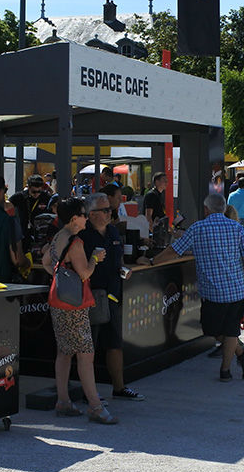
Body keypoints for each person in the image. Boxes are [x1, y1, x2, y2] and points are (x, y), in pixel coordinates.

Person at [153, 192, 244, 382]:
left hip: (213, 292)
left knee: (212, 330)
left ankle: (230, 366)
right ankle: (235, 359)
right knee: (231, 329)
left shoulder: (198, 228)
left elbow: (173, 250)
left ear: (206, 209)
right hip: (236, 289)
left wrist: (152, 261)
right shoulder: (237, 227)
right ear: (224, 209)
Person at [43, 197, 118, 424]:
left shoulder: (58, 237)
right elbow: (85, 273)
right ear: (75, 218)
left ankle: (63, 400)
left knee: (64, 351)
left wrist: (61, 278)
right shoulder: (75, 243)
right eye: (84, 214)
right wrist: (95, 258)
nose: (87, 218)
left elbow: (47, 261)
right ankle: (94, 405)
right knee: (86, 354)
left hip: (58, 300)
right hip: (74, 304)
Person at [81, 192, 144, 402]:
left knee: (115, 344)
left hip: (113, 296)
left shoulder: (114, 232)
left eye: (110, 209)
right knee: (88, 348)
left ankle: (119, 387)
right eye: (105, 210)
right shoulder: (82, 236)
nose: (110, 213)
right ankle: (88, 392)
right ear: (91, 214)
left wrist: (125, 269)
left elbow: (118, 262)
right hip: (91, 297)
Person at [9, 175, 53, 252]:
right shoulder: (20, 196)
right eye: (33, 192)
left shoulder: (45, 196)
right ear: (28, 187)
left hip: (41, 234)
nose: (36, 194)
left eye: (39, 191)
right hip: (24, 232)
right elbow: (8, 204)